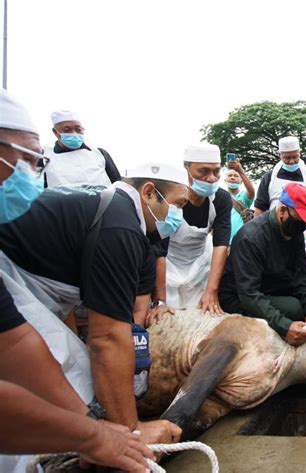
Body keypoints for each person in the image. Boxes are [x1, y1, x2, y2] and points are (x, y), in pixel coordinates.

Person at [0, 89, 170, 472]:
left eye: (37, 162)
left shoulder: (131, 227)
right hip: (16, 272)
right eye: (26, 160)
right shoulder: (122, 229)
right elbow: (106, 338)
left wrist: (99, 432)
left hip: (27, 280)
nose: (32, 174)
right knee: (72, 381)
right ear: (148, 192)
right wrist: (124, 433)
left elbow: (14, 343)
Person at [219, 183, 306, 346]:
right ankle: (294, 341)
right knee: (293, 308)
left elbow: (302, 274)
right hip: (241, 298)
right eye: (301, 220)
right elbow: (249, 294)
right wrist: (285, 326)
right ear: (282, 212)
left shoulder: (293, 231)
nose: (303, 226)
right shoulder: (251, 238)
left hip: (273, 286)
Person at [166, 143, 232, 313]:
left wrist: (211, 290)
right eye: (203, 171)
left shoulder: (221, 199)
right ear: (186, 168)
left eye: (216, 171)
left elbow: (221, 245)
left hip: (201, 266)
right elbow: (156, 246)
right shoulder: (171, 197)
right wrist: (158, 298)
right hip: (168, 264)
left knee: (200, 315)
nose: (211, 178)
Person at [254, 136, 306, 275]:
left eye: (295, 157)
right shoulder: (269, 178)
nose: (291, 161)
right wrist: (258, 237)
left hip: (304, 233)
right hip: (274, 232)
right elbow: (260, 208)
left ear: (299, 153)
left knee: (305, 270)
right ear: (280, 155)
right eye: (287, 158)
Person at [43, 110, 121, 190]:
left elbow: (118, 185)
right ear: (55, 132)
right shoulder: (45, 158)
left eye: (78, 129)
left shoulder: (100, 154)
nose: (74, 133)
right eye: (67, 130)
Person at [225, 156, 255, 243]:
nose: (232, 177)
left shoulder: (243, 197)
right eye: (230, 175)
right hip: (223, 242)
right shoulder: (221, 196)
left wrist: (241, 171)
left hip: (242, 241)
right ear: (225, 180)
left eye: (236, 176)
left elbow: (251, 192)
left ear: (241, 181)